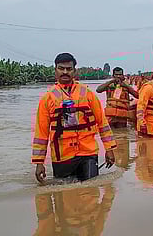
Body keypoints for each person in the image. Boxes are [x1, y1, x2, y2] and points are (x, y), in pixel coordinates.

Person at [32, 53, 117, 184]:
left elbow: (102, 123)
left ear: (74, 71)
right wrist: (39, 162)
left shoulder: (87, 93)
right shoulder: (47, 98)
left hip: (88, 152)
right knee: (64, 198)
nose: (65, 72)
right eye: (61, 68)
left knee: (91, 192)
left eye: (69, 69)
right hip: (62, 156)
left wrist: (109, 149)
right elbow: (41, 133)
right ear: (55, 71)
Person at [34, 185, 115, 235]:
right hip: (86, 193)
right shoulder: (94, 233)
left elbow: (45, 218)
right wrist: (109, 190)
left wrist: (42, 190)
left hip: (71, 195)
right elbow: (104, 210)